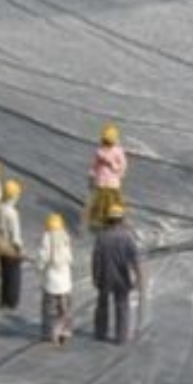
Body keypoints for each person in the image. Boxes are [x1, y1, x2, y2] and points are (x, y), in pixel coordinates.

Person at [91, 202, 143, 343]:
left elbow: (96, 260)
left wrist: (95, 277)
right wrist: (139, 278)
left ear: (108, 219)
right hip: (122, 277)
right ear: (122, 219)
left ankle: (100, 333)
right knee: (122, 306)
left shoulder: (101, 236)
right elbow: (135, 259)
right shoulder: (127, 237)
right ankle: (121, 337)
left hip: (105, 276)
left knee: (102, 305)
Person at [37, 212, 75, 346]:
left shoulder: (47, 238)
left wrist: (39, 266)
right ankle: (65, 330)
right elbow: (70, 258)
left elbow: (43, 257)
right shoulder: (65, 237)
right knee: (65, 309)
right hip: (65, 283)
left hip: (51, 283)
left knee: (48, 309)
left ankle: (48, 332)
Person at [85, 123, 128, 231]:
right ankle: (101, 221)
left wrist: (112, 165)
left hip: (113, 183)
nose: (106, 143)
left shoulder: (118, 151)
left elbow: (122, 166)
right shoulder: (99, 151)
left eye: (109, 141)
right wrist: (92, 175)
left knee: (113, 202)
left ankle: (115, 221)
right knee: (100, 203)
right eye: (105, 141)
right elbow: (95, 165)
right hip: (101, 182)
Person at [0, 178, 25, 310]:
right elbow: (15, 235)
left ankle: (3, 299)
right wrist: (19, 249)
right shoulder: (12, 213)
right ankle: (12, 301)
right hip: (11, 248)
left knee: (4, 274)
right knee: (14, 276)